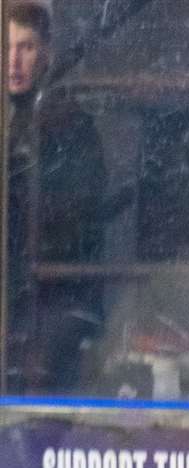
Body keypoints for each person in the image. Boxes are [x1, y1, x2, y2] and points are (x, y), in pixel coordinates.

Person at [5, 0, 105, 392]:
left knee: (35, 377)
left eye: (25, 47)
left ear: (46, 53)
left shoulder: (70, 124)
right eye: (5, 47)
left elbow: (70, 222)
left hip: (62, 297)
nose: (13, 60)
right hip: (14, 295)